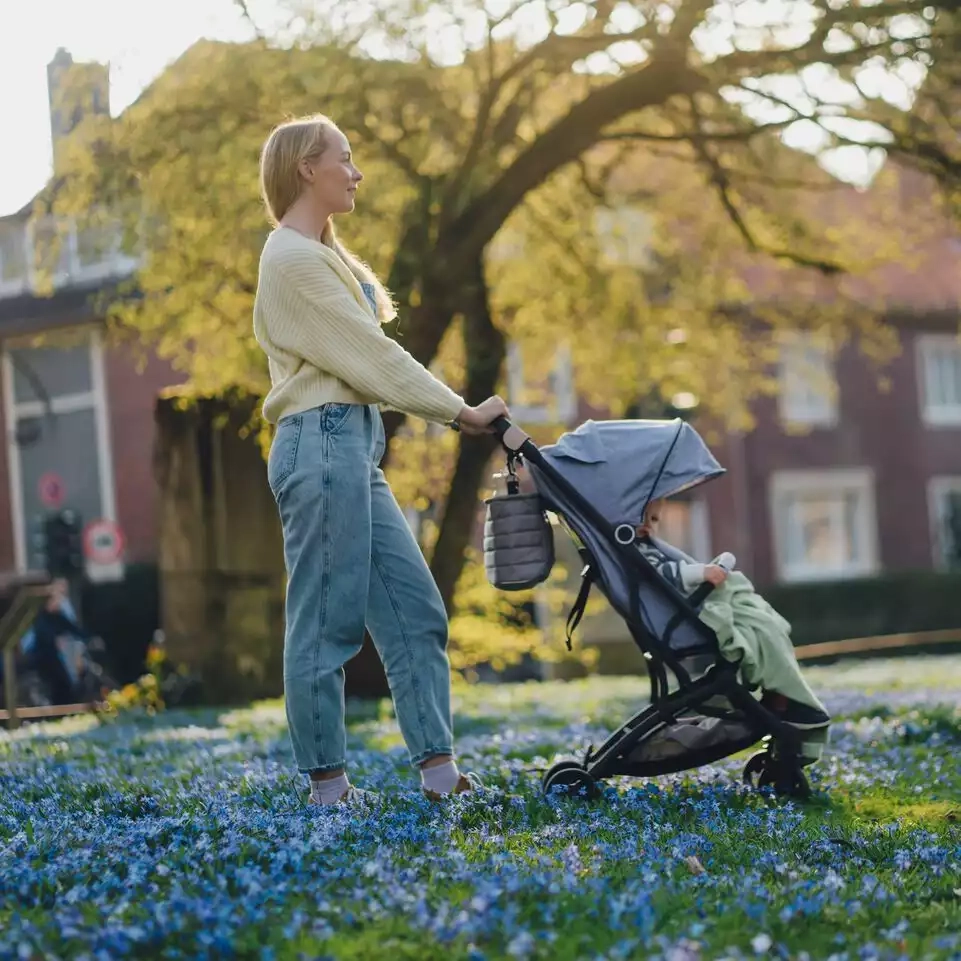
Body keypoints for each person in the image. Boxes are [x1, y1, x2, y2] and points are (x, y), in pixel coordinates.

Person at [254, 114, 509, 807]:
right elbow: (371, 356)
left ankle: (440, 775)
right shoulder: (290, 258)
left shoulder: (320, 254)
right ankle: (327, 788)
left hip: (350, 448)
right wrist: (459, 411)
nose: (356, 172)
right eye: (345, 158)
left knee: (415, 611)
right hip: (320, 443)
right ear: (307, 167)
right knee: (326, 622)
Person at [635, 499, 831, 753]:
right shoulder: (638, 553)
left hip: (683, 614)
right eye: (642, 518)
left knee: (766, 627)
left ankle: (783, 695)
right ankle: (785, 698)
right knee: (762, 631)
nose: (648, 526)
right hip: (684, 619)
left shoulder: (640, 548)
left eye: (654, 520)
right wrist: (702, 573)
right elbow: (659, 574)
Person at [19, 578, 90, 706]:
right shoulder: (39, 617)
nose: (59, 602)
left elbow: (73, 629)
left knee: (65, 686)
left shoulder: (57, 616)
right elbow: (32, 642)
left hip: (52, 659)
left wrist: (88, 639)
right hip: (39, 660)